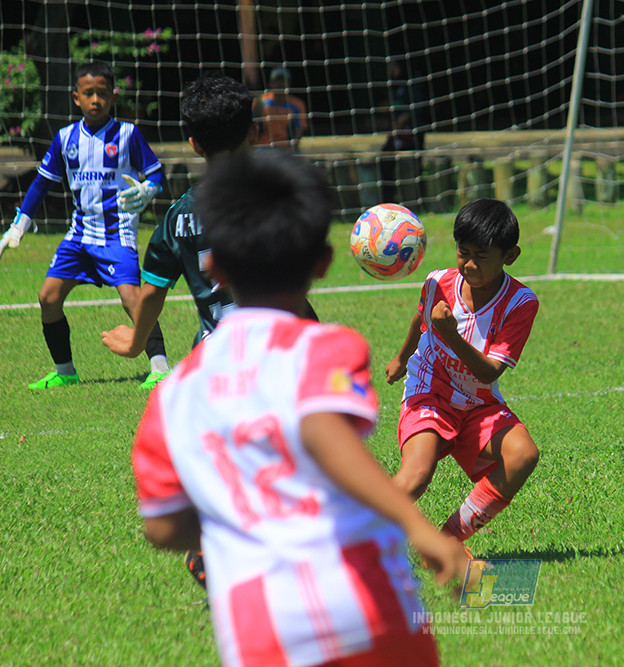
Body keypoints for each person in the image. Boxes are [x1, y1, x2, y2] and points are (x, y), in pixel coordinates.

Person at [132, 149, 469, 667]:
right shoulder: (328, 347)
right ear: (323, 263)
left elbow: (161, 526)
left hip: (261, 629)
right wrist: (422, 531)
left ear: (213, 267)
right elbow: (323, 432)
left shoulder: (174, 392)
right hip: (370, 604)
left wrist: (239, 518)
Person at [102, 73, 318, 363]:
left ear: (195, 144)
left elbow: (153, 292)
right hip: (282, 348)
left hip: (219, 358)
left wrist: (136, 343)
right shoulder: (278, 196)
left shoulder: (177, 217)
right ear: (253, 132)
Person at [385, 198, 540, 556]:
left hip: (477, 402)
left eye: (481, 256)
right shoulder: (438, 281)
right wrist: (401, 357)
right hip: (430, 392)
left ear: (509, 255)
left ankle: (449, 539)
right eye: (462, 252)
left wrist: (451, 335)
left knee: (522, 456)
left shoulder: (521, 303)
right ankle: (352, 547)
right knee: (415, 477)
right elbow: (420, 318)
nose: (469, 264)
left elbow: (490, 370)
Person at [0, 61, 169, 389]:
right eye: (89, 93)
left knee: (132, 299)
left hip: (116, 233)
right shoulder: (66, 138)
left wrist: (149, 189)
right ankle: (65, 372)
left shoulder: (127, 135)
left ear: (113, 97)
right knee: (48, 297)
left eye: (102, 94)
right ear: (76, 97)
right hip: (79, 235)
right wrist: (18, 226)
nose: (96, 100)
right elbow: (41, 184)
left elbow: (156, 172)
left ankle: (161, 368)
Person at [380, 59, 427, 203]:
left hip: (412, 133)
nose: (390, 70)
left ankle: (417, 200)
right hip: (397, 134)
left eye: (392, 65)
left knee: (413, 166)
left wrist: (402, 120)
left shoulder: (412, 85)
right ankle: (388, 199)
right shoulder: (394, 85)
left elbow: (418, 107)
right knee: (385, 160)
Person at [253, 67, 308, 151]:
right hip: (263, 148)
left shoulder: (297, 104)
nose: (280, 84)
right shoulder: (260, 102)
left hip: (285, 148)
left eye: (283, 81)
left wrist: (292, 148)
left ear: (289, 84)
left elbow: (299, 128)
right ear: (270, 83)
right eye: (277, 80)